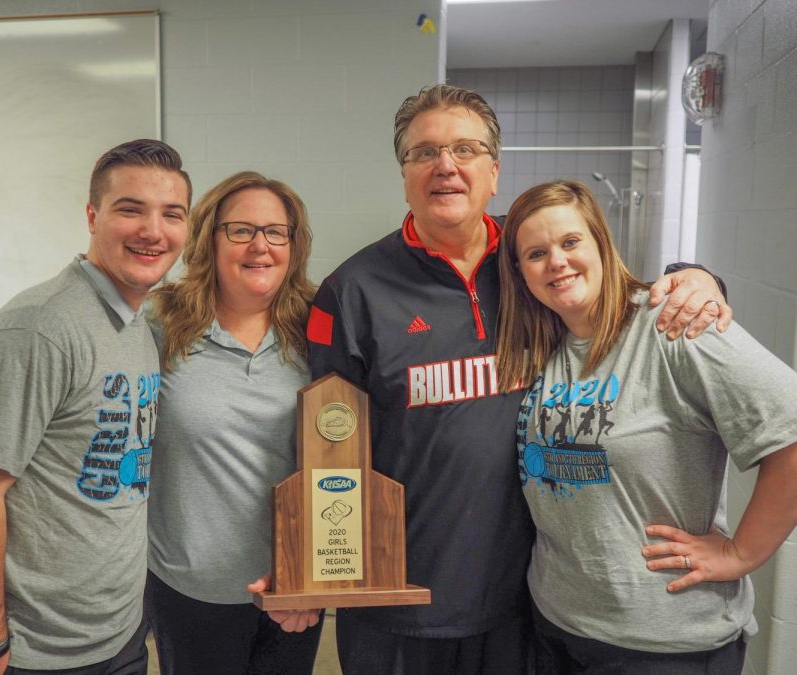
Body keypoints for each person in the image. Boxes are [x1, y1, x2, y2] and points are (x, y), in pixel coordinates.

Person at [303, 85, 731, 674]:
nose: (445, 165)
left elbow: (627, 296)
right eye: (424, 152)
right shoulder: (351, 292)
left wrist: (696, 276)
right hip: (396, 597)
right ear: (403, 173)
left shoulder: (537, 259)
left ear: (494, 171)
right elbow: (325, 453)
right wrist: (313, 563)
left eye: (464, 149)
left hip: (527, 597)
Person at [494, 180, 797, 674]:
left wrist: (741, 553)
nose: (557, 261)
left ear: (601, 244)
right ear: (521, 273)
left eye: (571, 242)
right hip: (556, 623)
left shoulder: (674, 326)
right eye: (536, 252)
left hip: (665, 640)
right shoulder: (543, 343)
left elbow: (791, 432)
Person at [0, 139, 192, 674]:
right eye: (130, 209)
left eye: (172, 214)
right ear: (92, 216)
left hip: (115, 638)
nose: (153, 230)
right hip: (28, 654)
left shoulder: (137, 323)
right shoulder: (38, 330)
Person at [144, 171, 323, 674]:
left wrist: (312, 579)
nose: (259, 246)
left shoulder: (319, 329)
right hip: (189, 588)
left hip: (293, 587)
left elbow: (345, 461)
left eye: (275, 232)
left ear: (293, 244)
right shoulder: (161, 325)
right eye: (240, 230)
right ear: (210, 239)